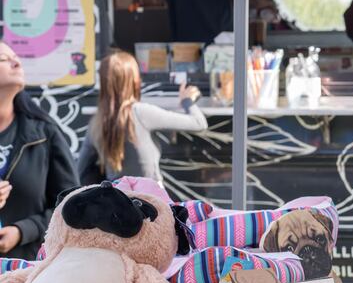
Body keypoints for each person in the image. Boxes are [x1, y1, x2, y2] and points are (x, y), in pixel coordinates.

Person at [0, 39, 80, 260]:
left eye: (17, 59)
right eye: (4, 59)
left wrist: (24, 230)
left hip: (29, 269)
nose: (17, 64)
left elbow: (72, 204)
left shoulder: (44, 133)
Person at [77, 49, 207, 184]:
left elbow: (80, 170)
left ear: (103, 83)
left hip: (116, 193)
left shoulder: (97, 122)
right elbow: (199, 123)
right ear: (135, 80)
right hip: (149, 192)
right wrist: (187, 101)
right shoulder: (141, 113)